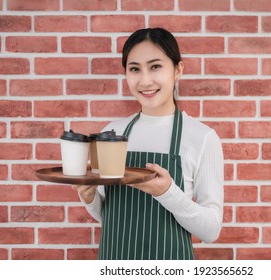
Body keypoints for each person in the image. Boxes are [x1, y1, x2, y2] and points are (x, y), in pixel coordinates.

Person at [72, 28, 224, 260]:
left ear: (178, 70)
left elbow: (211, 231)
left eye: (155, 66)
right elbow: (109, 216)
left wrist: (167, 193)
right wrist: (90, 196)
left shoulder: (202, 137)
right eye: (134, 69)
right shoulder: (112, 132)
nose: (144, 81)